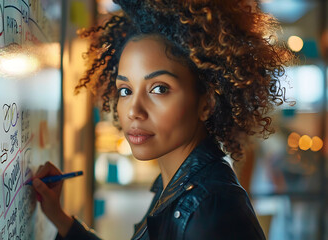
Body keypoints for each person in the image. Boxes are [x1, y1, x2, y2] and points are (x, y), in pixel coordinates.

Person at [32, 0, 293, 239]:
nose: (134, 110)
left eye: (159, 89)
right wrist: (60, 218)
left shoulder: (212, 208)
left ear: (207, 103)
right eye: (126, 90)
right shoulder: (177, 183)